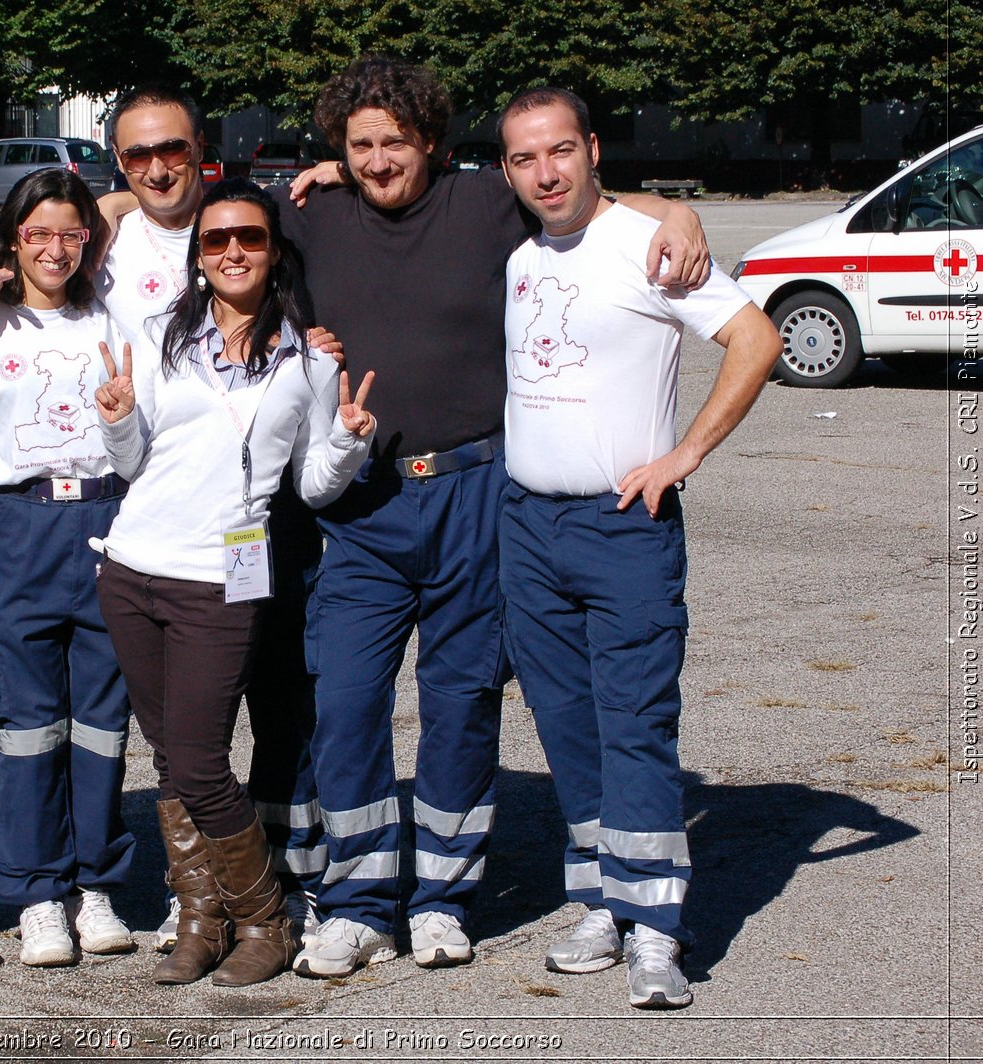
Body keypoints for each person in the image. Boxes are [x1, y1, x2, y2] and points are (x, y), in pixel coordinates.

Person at [273, 56, 714, 979]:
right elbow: (168, 213)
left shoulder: (487, 203)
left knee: (463, 703)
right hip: (364, 502)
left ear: (431, 140)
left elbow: (578, 197)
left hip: (479, 493)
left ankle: (440, 897)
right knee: (345, 702)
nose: (380, 158)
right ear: (336, 150)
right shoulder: (305, 215)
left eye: (396, 139)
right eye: (360, 144)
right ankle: (355, 902)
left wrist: (678, 211)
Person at [0, 84, 333, 953]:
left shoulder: (251, 219)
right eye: (137, 155)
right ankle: (190, 892)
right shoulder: (107, 235)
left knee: (277, 704)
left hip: (254, 513)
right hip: (142, 512)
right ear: (116, 164)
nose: (158, 167)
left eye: (173, 149)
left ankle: (284, 880)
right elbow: (45, 253)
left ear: (203, 148)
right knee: (165, 728)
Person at [494, 87, 780, 1008]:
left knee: (636, 725)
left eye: (560, 152)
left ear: (592, 150)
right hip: (527, 523)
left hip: (624, 527)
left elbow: (755, 339)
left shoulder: (650, 246)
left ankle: (658, 928)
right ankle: (601, 903)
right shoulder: (517, 251)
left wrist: (684, 454)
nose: (545, 172)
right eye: (524, 158)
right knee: (566, 729)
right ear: (506, 169)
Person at [92, 179, 376, 987]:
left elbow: (315, 486)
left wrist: (351, 442)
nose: (233, 253)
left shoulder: (308, 358)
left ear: (273, 248)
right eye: (215, 242)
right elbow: (132, 464)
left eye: (248, 237)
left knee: (201, 758)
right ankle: (199, 917)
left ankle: (263, 920)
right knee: (172, 759)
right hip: (132, 568)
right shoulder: (155, 338)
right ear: (198, 257)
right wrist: (116, 419)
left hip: (223, 577)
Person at [0, 169, 137, 967]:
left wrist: (93, 215)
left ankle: (96, 882)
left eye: (70, 233)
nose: (54, 248)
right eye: (35, 234)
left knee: (103, 722)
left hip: (108, 515)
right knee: (31, 724)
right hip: (26, 522)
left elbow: (136, 201)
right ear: (11, 241)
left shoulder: (113, 311)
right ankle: (37, 891)